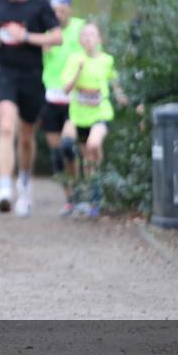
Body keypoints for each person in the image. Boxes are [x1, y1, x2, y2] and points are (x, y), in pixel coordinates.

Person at [0, 0, 62, 216]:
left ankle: (24, 185)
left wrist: (26, 36)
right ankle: (4, 188)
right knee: (6, 126)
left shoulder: (39, 5)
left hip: (32, 75)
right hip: (4, 72)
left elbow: (57, 36)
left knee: (26, 135)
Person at [61, 23, 128, 218]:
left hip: (101, 113)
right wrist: (77, 72)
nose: (88, 38)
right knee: (88, 158)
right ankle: (96, 196)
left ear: (99, 39)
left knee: (93, 144)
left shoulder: (107, 60)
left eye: (92, 34)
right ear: (80, 40)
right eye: (85, 35)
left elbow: (114, 81)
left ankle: (97, 189)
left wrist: (122, 95)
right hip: (80, 117)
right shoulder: (74, 59)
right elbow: (66, 89)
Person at [41, 0, 85, 216]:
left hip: (74, 99)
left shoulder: (80, 28)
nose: (58, 13)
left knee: (68, 147)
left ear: (70, 9)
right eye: (54, 10)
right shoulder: (45, 31)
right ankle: (69, 198)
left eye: (62, 9)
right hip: (51, 98)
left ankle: (80, 192)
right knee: (56, 154)